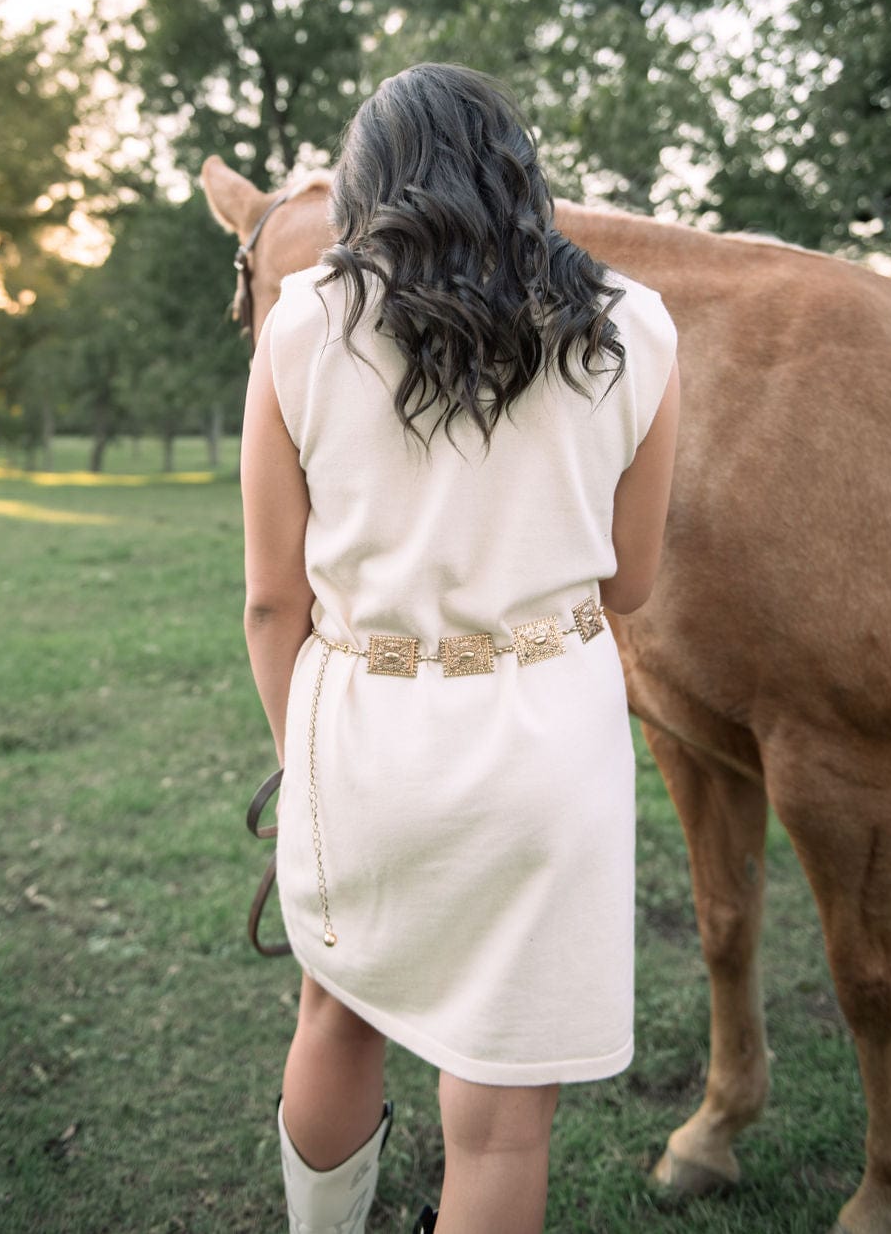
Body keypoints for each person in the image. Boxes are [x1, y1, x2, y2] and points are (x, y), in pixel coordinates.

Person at [239, 62, 680, 1234]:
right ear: (521, 172)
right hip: (548, 743)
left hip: (366, 736)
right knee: (498, 1122)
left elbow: (272, 602)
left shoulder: (300, 323)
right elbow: (630, 580)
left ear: (366, 188)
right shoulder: (635, 325)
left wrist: (303, 768)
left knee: (334, 1015)